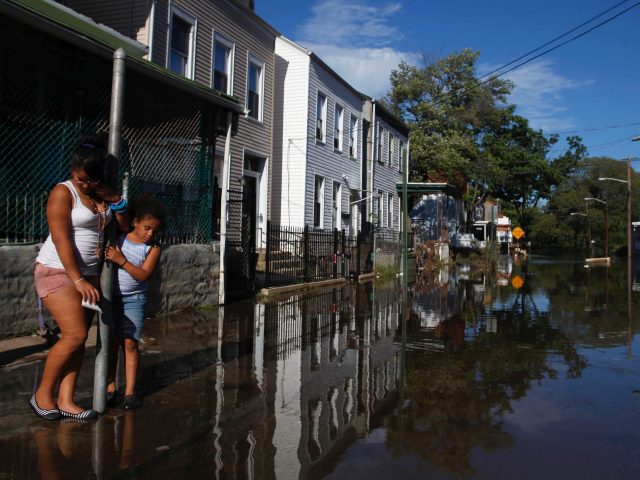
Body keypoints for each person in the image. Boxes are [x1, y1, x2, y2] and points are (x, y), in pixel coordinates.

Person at [32, 135, 128, 421]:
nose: (82, 184)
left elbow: (122, 227)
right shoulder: (63, 192)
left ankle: (66, 399)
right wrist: (77, 279)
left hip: (87, 274)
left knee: (79, 338)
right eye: (79, 178)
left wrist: (116, 201)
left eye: (89, 180)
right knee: (74, 335)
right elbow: (61, 239)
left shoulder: (99, 193)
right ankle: (41, 395)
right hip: (58, 271)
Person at [105, 195, 165, 410]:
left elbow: (143, 275)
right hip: (110, 298)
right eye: (147, 228)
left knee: (129, 342)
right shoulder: (118, 236)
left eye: (155, 231)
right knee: (111, 343)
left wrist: (121, 260)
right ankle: (110, 386)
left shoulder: (153, 248)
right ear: (135, 222)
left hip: (134, 300)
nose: (150, 234)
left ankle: (130, 392)